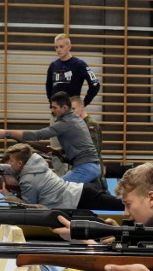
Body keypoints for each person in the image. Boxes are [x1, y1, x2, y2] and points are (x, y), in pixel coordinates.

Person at [53, 162, 153, 262]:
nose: (125, 213)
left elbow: (146, 265)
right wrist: (118, 234)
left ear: (151, 198)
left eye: (128, 204)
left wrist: (86, 241)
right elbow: (148, 240)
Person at [0, 143, 123, 211]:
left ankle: (143, 205)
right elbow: (3, 167)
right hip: (81, 192)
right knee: (121, 205)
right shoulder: (34, 163)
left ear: (20, 164)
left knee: (122, 206)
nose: (8, 164)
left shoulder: (29, 180)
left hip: (79, 197)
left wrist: (7, 195)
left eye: (11, 161)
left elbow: (31, 207)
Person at [0, 92, 103, 185]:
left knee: (57, 189)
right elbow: (79, 144)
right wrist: (58, 151)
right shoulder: (75, 119)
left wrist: (7, 132)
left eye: (54, 107)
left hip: (85, 168)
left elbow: (37, 135)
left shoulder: (65, 123)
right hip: (87, 166)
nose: (52, 110)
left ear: (64, 107)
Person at [46, 33, 100, 177]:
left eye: (61, 46)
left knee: (75, 146)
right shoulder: (53, 66)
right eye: (56, 47)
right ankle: (60, 179)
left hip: (72, 113)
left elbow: (95, 84)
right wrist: (53, 107)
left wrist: (84, 103)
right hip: (57, 113)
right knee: (55, 149)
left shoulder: (79, 64)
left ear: (69, 46)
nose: (58, 49)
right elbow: (48, 87)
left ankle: (76, 177)